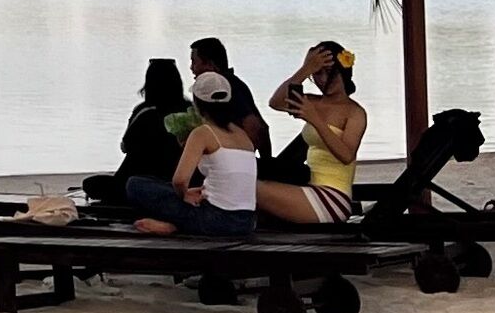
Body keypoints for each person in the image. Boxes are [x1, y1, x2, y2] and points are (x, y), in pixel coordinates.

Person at [122, 74, 263, 238]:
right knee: (171, 190)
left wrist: (185, 195)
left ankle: (175, 226)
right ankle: (180, 224)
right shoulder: (243, 135)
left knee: (136, 185)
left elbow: (180, 180)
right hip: (247, 222)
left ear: (197, 103)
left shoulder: (203, 133)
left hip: (216, 221)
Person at [260, 40, 368, 225]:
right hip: (308, 189)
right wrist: (305, 69)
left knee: (248, 188)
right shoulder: (313, 102)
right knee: (244, 180)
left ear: (343, 72)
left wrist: (315, 120)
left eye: (329, 73)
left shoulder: (355, 112)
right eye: (317, 74)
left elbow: (346, 155)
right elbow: (276, 102)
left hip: (332, 199)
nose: (323, 79)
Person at [87, 56, 186, 201]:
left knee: (91, 184)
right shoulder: (189, 110)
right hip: (172, 178)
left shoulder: (144, 111)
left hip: (136, 179)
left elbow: (125, 146)